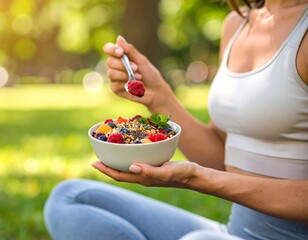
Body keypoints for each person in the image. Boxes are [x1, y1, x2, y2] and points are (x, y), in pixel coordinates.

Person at [44, 0, 308, 239]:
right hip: (236, 232)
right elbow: (223, 157)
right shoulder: (238, 24)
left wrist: (196, 179)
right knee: (69, 199)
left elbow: (212, 175)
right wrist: (159, 97)